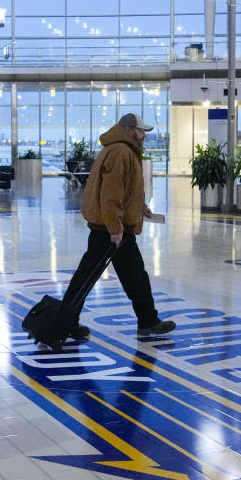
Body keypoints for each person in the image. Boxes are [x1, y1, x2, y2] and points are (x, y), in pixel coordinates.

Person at [62, 113, 175, 340]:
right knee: (92, 277)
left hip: (115, 228)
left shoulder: (121, 150)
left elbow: (124, 188)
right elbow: (110, 194)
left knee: (132, 276)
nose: (143, 135)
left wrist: (139, 206)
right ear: (129, 129)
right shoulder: (121, 151)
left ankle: (147, 320)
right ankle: (64, 323)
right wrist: (115, 228)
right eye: (141, 131)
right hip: (111, 230)